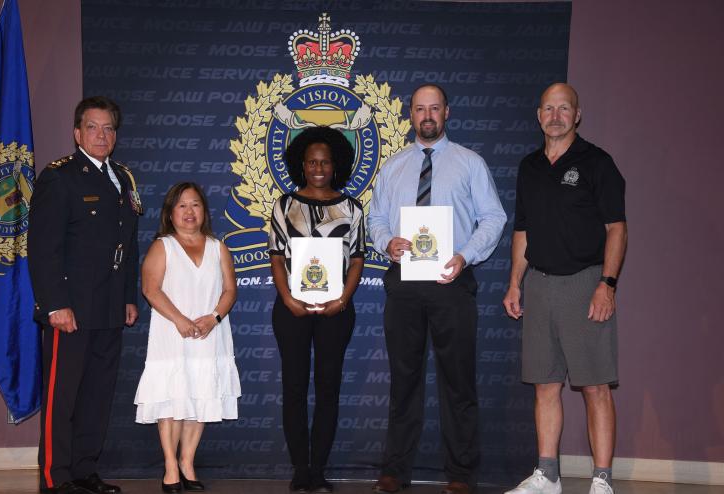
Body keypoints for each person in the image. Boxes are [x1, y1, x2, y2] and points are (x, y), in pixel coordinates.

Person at [367, 84, 507, 494]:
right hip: (404, 286)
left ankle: (461, 474)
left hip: (452, 282)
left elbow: (494, 217)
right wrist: (386, 242)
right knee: (403, 380)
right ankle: (395, 470)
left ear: (447, 112)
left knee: (458, 382)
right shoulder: (392, 167)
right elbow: (375, 219)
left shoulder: (470, 163)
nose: (427, 115)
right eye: (419, 109)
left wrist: (465, 255)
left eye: (434, 108)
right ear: (410, 114)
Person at [502, 83, 626, 494]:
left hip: (585, 284)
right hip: (538, 284)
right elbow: (522, 231)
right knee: (545, 384)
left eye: (564, 108)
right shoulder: (529, 167)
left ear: (577, 115)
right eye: (548, 109)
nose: (555, 116)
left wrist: (606, 285)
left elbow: (616, 229)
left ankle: (601, 480)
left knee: (595, 386)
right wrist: (514, 284)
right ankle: (548, 475)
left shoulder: (597, 163)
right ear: (539, 116)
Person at [29, 96, 141, 494]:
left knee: (97, 395)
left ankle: (84, 470)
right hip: (70, 308)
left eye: (108, 128)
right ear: (77, 133)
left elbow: (128, 244)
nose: (101, 135)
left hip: (109, 306)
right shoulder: (59, 177)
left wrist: (129, 295)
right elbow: (43, 249)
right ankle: (55, 478)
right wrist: (55, 303)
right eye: (92, 127)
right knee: (63, 397)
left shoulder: (123, 178)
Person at [268, 126, 366, 493]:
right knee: (294, 388)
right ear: (302, 165)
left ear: (335, 164)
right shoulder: (285, 204)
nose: (319, 168)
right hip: (290, 309)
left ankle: (319, 469)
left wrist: (342, 300)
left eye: (325, 162)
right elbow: (277, 258)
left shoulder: (352, 207)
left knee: (328, 389)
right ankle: (299, 469)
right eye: (311, 162)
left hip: (335, 310)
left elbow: (357, 260)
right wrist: (289, 299)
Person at [134, 182, 240, 493]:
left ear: (204, 211)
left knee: (202, 396)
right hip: (171, 334)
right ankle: (170, 466)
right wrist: (180, 320)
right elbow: (150, 289)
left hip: (210, 334)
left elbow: (230, 290)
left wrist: (214, 318)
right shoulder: (162, 246)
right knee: (172, 399)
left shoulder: (218, 247)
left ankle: (187, 462)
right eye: (181, 205)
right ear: (170, 213)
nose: (189, 211)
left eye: (195, 204)